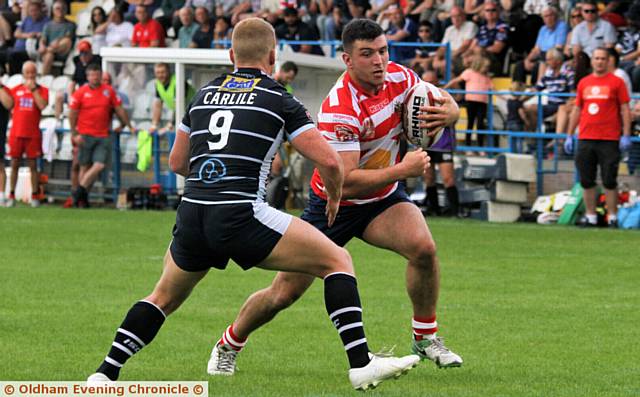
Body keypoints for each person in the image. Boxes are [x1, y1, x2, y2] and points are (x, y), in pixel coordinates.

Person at [87, 17, 420, 390]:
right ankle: (361, 364)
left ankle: (105, 372)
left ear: (231, 55)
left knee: (162, 297)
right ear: (273, 56)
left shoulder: (203, 94)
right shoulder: (278, 98)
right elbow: (327, 160)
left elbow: (177, 163)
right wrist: (335, 196)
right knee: (337, 260)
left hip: (193, 212)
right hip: (241, 212)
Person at [206, 18, 463, 377]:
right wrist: (403, 171)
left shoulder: (401, 78)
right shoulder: (340, 107)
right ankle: (229, 344)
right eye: (367, 54)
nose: (379, 60)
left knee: (423, 249)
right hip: (334, 206)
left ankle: (425, 336)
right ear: (347, 59)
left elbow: (442, 99)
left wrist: (450, 112)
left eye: (383, 51)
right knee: (284, 293)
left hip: (383, 201)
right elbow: (347, 182)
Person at [564, 47, 632, 228]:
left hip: (609, 138)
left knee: (609, 179)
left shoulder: (617, 82)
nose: (600, 62)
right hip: (586, 136)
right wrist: (569, 135)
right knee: (586, 180)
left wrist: (626, 134)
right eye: (596, 58)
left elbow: (625, 109)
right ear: (592, 61)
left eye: (603, 58)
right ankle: (591, 216)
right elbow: (577, 109)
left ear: (608, 60)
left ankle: (612, 217)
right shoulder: (584, 83)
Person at [69, 64, 134, 208]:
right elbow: (72, 113)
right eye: (92, 75)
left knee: (98, 165)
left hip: (103, 135)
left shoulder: (108, 91)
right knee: (84, 167)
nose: (95, 77)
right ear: (87, 77)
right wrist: (74, 133)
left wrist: (126, 125)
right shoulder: (81, 92)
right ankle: (83, 200)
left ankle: (79, 191)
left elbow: (119, 109)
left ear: (100, 75)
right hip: (85, 134)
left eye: (97, 74)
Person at [0, 61, 48, 208]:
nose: (30, 76)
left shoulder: (42, 90)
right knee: (14, 164)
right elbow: (9, 105)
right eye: (27, 73)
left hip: (32, 133)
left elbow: (42, 106)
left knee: (33, 165)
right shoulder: (15, 90)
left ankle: (34, 195)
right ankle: (11, 195)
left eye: (32, 72)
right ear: (23, 74)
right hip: (16, 132)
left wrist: (33, 91)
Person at [421, 69, 460, 217]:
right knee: (429, 178)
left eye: (431, 82)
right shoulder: (417, 98)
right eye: (425, 82)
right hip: (426, 144)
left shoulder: (444, 98)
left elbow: (454, 117)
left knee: (448, 178)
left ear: (437, 82)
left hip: (443, 144)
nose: (428, 85)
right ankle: (435, 209)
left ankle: (455, 211)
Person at [444, 54, 492, 154]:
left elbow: (492, 89)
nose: (487, 68)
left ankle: (480, 147)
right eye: (485, 66)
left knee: (480, 124)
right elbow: (455, 80)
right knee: (470, 123)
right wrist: (444, 88)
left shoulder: (486, 77)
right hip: (471, 101)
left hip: (482, 102)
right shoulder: (469, 72)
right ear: (480, 65)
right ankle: (468, 146)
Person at [513, 5, 567, 85]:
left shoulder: (562, 26)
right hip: (541, 56)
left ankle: (536, 90)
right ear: (543, 19)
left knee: (537, 66)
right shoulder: (543, 29)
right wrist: (528, 60)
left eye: (551, 15)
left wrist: (542, 57)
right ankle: (517, 90)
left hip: (553, 57)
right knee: (520, 65)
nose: (549, 18)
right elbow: (536, 49)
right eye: (546, 16)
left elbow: (558, 48)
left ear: (556, 16)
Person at [149, 63, 195, 135]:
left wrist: (170, 125)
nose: (160, 75)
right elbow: (158, 105)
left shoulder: (178, 81)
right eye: (158, 73)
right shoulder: (157, 83)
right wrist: (154, 125)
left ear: (168, 72)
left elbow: (178, 106)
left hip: (192, 112)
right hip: (182, 114)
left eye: (163, 72)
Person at [38, 0, 76, 75]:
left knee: (66, 41)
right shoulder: (48, 25)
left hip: (62, 51)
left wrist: (56, 42)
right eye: (57, 8)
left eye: (63, 8)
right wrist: (41, 45)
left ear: (66, 10)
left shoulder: (71, 25)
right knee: (49, 55)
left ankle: (49, 50)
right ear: (53, 11)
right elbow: (43, 39)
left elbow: (68, 38)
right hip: (48, 53)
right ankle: (44, 78)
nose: (60, 11)